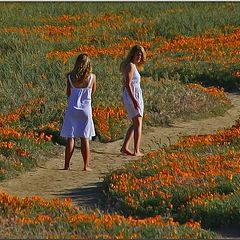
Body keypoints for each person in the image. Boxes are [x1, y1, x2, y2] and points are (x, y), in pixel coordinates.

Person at [60, 53, 96, 171]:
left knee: (71, 137)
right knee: (85, 137)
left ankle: (66, 165)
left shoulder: (70, 77)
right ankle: (86, 165)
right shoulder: (92, 77)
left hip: (72, 109)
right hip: (85, 109)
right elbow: (92, 91)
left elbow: (68, 93)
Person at [120, 45, 146, 156]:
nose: (139, 57)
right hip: (132, 95)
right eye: (137, 54)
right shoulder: (130, 66)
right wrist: (134, 99)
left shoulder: (133, 66)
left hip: (134, 94)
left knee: (136, 122)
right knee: (138, 122)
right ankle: (136, 150)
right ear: (132, 54)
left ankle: (125, 147)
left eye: (141, 55)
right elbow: (128, 84)